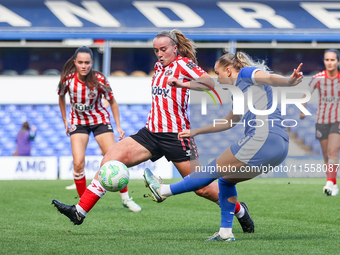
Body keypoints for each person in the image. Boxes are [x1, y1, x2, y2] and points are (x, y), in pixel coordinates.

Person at [52, 30, 254, 233]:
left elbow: (209, 83)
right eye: (156, 50)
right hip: (150, 133)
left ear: (175, 48)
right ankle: (80, 211)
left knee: (202, 188)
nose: (159, 54)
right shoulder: (159, 66)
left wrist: (182, 83)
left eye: (163, 49)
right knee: (109, 160)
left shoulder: (183, 64)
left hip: (176, 136)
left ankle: (239, 210)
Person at [143, 52, 303, 241]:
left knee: (210, 171)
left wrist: (289, 81)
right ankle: (225, 233)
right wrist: (196, 131)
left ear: (228, 71)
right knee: (226, 181)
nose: (217, 78)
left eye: (218, 73)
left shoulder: (245, 74)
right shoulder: (240, 93)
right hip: (280, 147)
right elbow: (229, 121)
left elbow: (269, 77)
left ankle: (163, 191)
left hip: (263, 138)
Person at [57, 46, 141, 212]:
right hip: (78, 121)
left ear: (92, 63)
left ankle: (126, 199)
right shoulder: (67, 80)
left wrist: (118, 126)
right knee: (78, 163)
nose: (83, 66)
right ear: (75, 62)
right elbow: (61, 97)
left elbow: (113, 102)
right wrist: (65, 119)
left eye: (87, 63)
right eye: (80, 62)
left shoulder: (99, 79)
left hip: (99, 120)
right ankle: (83, 204)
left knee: (114, 159)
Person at [300, 49, 340, 196]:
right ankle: (333, 184)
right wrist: (302, 109)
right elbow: (306, 93)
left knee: (333, 151)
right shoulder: (318, 78)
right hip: (322, 120)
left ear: (338, 62)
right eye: (327, 60)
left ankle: (329, 183)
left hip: (338, 120)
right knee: (326, 155)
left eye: (332, 60)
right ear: (324, 61)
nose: (329, 62)